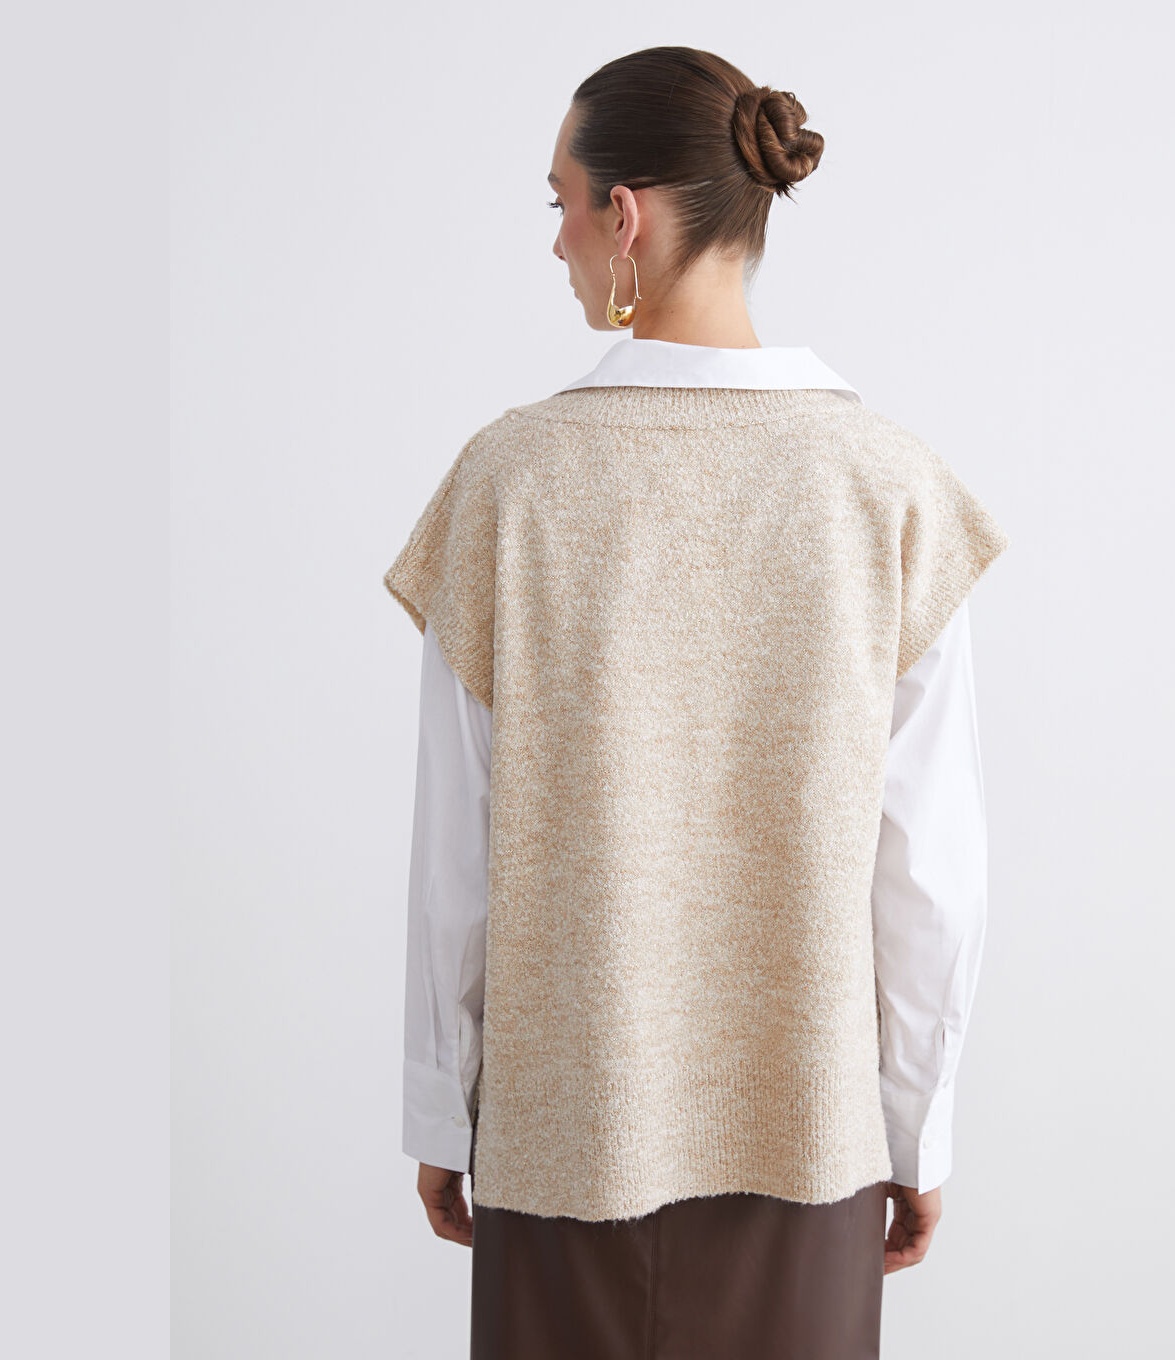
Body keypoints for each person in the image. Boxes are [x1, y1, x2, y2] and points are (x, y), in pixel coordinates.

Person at [384, 45, 1009, 1360]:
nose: (555, 240)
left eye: (561, 202)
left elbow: (457, 852)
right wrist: (918, 1127)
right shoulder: (890, 488)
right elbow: (930, 872)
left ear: (625, 216)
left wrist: (442, 1106)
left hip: (563, 1144)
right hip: (810, 1147)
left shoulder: (507, 483)